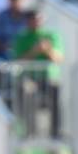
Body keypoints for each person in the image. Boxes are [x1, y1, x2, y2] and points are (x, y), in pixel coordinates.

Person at [13, 9, 63, 137]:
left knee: (56, 96)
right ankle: (31, 131)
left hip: (49, 77)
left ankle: (55, 133)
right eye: (33, 19)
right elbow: (19, 60)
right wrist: (35, 51)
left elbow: (58, 59)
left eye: (38, 19)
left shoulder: (51, 36)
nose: (36, 22)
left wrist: (47, 50)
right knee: (27, 93)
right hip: (30, 77)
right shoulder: (21, 37)